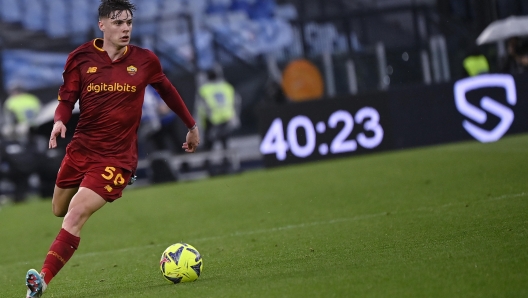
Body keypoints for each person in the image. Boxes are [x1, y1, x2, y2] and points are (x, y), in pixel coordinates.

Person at [24, 1, 200, 297]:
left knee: (75, 215)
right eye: (118, 23)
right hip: (81, 148)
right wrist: (58, 122)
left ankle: (41, 281)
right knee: (59, 209)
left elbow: (167, 91)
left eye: (129, 22)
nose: (126, 28)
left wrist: (191, 125)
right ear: (102, 25)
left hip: (116, 158)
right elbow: (67, 99)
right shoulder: (80, 58)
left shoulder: (145, 61)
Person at [195, 69, 240, 175]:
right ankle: (227, 164)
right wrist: (234, 116)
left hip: (212, 120)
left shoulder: (204, 89)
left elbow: (201, 106)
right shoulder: (227, 87)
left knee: (209, 144)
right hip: (227, 118)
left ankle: (208, 165)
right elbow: (236, 101)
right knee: (225, 143)